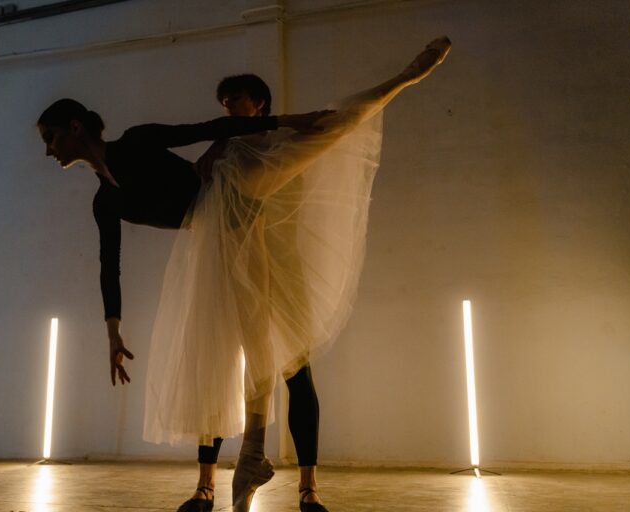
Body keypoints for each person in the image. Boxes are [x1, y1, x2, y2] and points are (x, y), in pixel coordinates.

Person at [142, 36, 452, 512]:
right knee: (214, 369)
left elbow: (347, 116)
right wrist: (220, 139)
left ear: (260, 102)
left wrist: (408, 76)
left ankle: (308, 487)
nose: (226, 108)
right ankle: (206, 485)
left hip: (279, 272)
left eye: (234, 101)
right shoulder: (219, 158)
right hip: (227, 273)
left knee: (296, 375)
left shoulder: (279, 146)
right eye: (222, 105)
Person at [37, 99, 331, 387]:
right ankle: (245, 426)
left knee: (278, 339)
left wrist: (292, 120)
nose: (48, 151)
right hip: (214, 237)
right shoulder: (106, 203)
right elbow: (109, 266)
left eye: (51, 138)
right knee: (220, 342)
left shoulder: (135, 141)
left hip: (241, 209)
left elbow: (207, 128)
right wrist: (113, 333)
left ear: (75, 127)